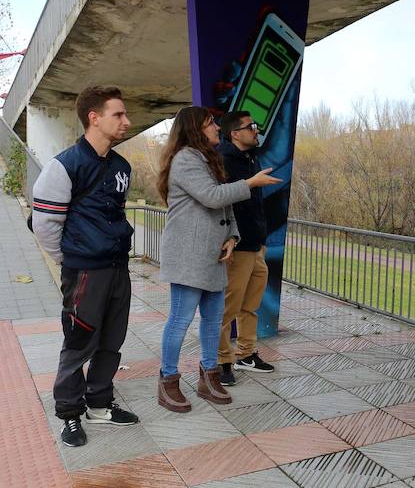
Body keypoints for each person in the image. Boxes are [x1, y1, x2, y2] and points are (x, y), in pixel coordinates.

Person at [32, 85, 139, 447]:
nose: (126, 121)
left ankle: (99, 404)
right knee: (79, 342)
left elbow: (115, 214)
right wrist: (69, 260)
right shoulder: (64, 166)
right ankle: (69, 413)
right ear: (94, 118)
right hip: (84, 273)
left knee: (112, 340)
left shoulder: (122, 167)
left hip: (118, 269)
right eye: (118, 114)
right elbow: (45, 225)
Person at [155, 106, 280, 412]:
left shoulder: (207, 159)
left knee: (213, 319)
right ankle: (168, 381)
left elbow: (225, 206)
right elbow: (212, 197)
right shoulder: (185, 158)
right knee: (180, 320)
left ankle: (209, 377)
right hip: (189, 255)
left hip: (213, 254)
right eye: (211, 124)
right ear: (195, 129)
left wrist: (233, 236)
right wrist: (250, 183)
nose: (217, 128)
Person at [216, 110, 275, 386]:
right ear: (235, 134)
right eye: (251, 126)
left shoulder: (252, 158)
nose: (256, 130)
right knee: (227, 309)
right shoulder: (223, 161)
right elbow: (220, 203)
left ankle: (246, 354)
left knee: (250, 306)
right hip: (237, 247)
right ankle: (221, 362)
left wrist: (261, 241)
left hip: (256, 246)